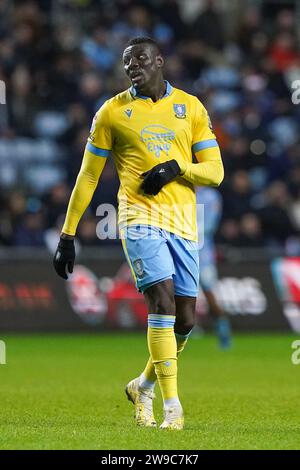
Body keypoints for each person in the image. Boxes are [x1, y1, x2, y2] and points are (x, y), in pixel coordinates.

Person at [53, 37, 224, 430]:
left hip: (184, 223)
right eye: (127, 62)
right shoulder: (112, 113)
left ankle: (142, 384)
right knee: (161, 304)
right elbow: (88, 175)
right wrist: (67, 234)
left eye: (141, 59)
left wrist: (176, 168)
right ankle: (173, 409)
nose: (133, 66)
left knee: (185, 319)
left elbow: (215, 172)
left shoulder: (190, 107)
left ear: (160, 61)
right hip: (137, 218)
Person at [196, 186, 232, 349]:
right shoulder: (180, 189)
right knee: (177, 293)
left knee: (210, 293)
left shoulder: (211, 196)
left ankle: (223, 328)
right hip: (181, 251)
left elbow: (210, 225)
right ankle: (184, 331)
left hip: (203, 255)